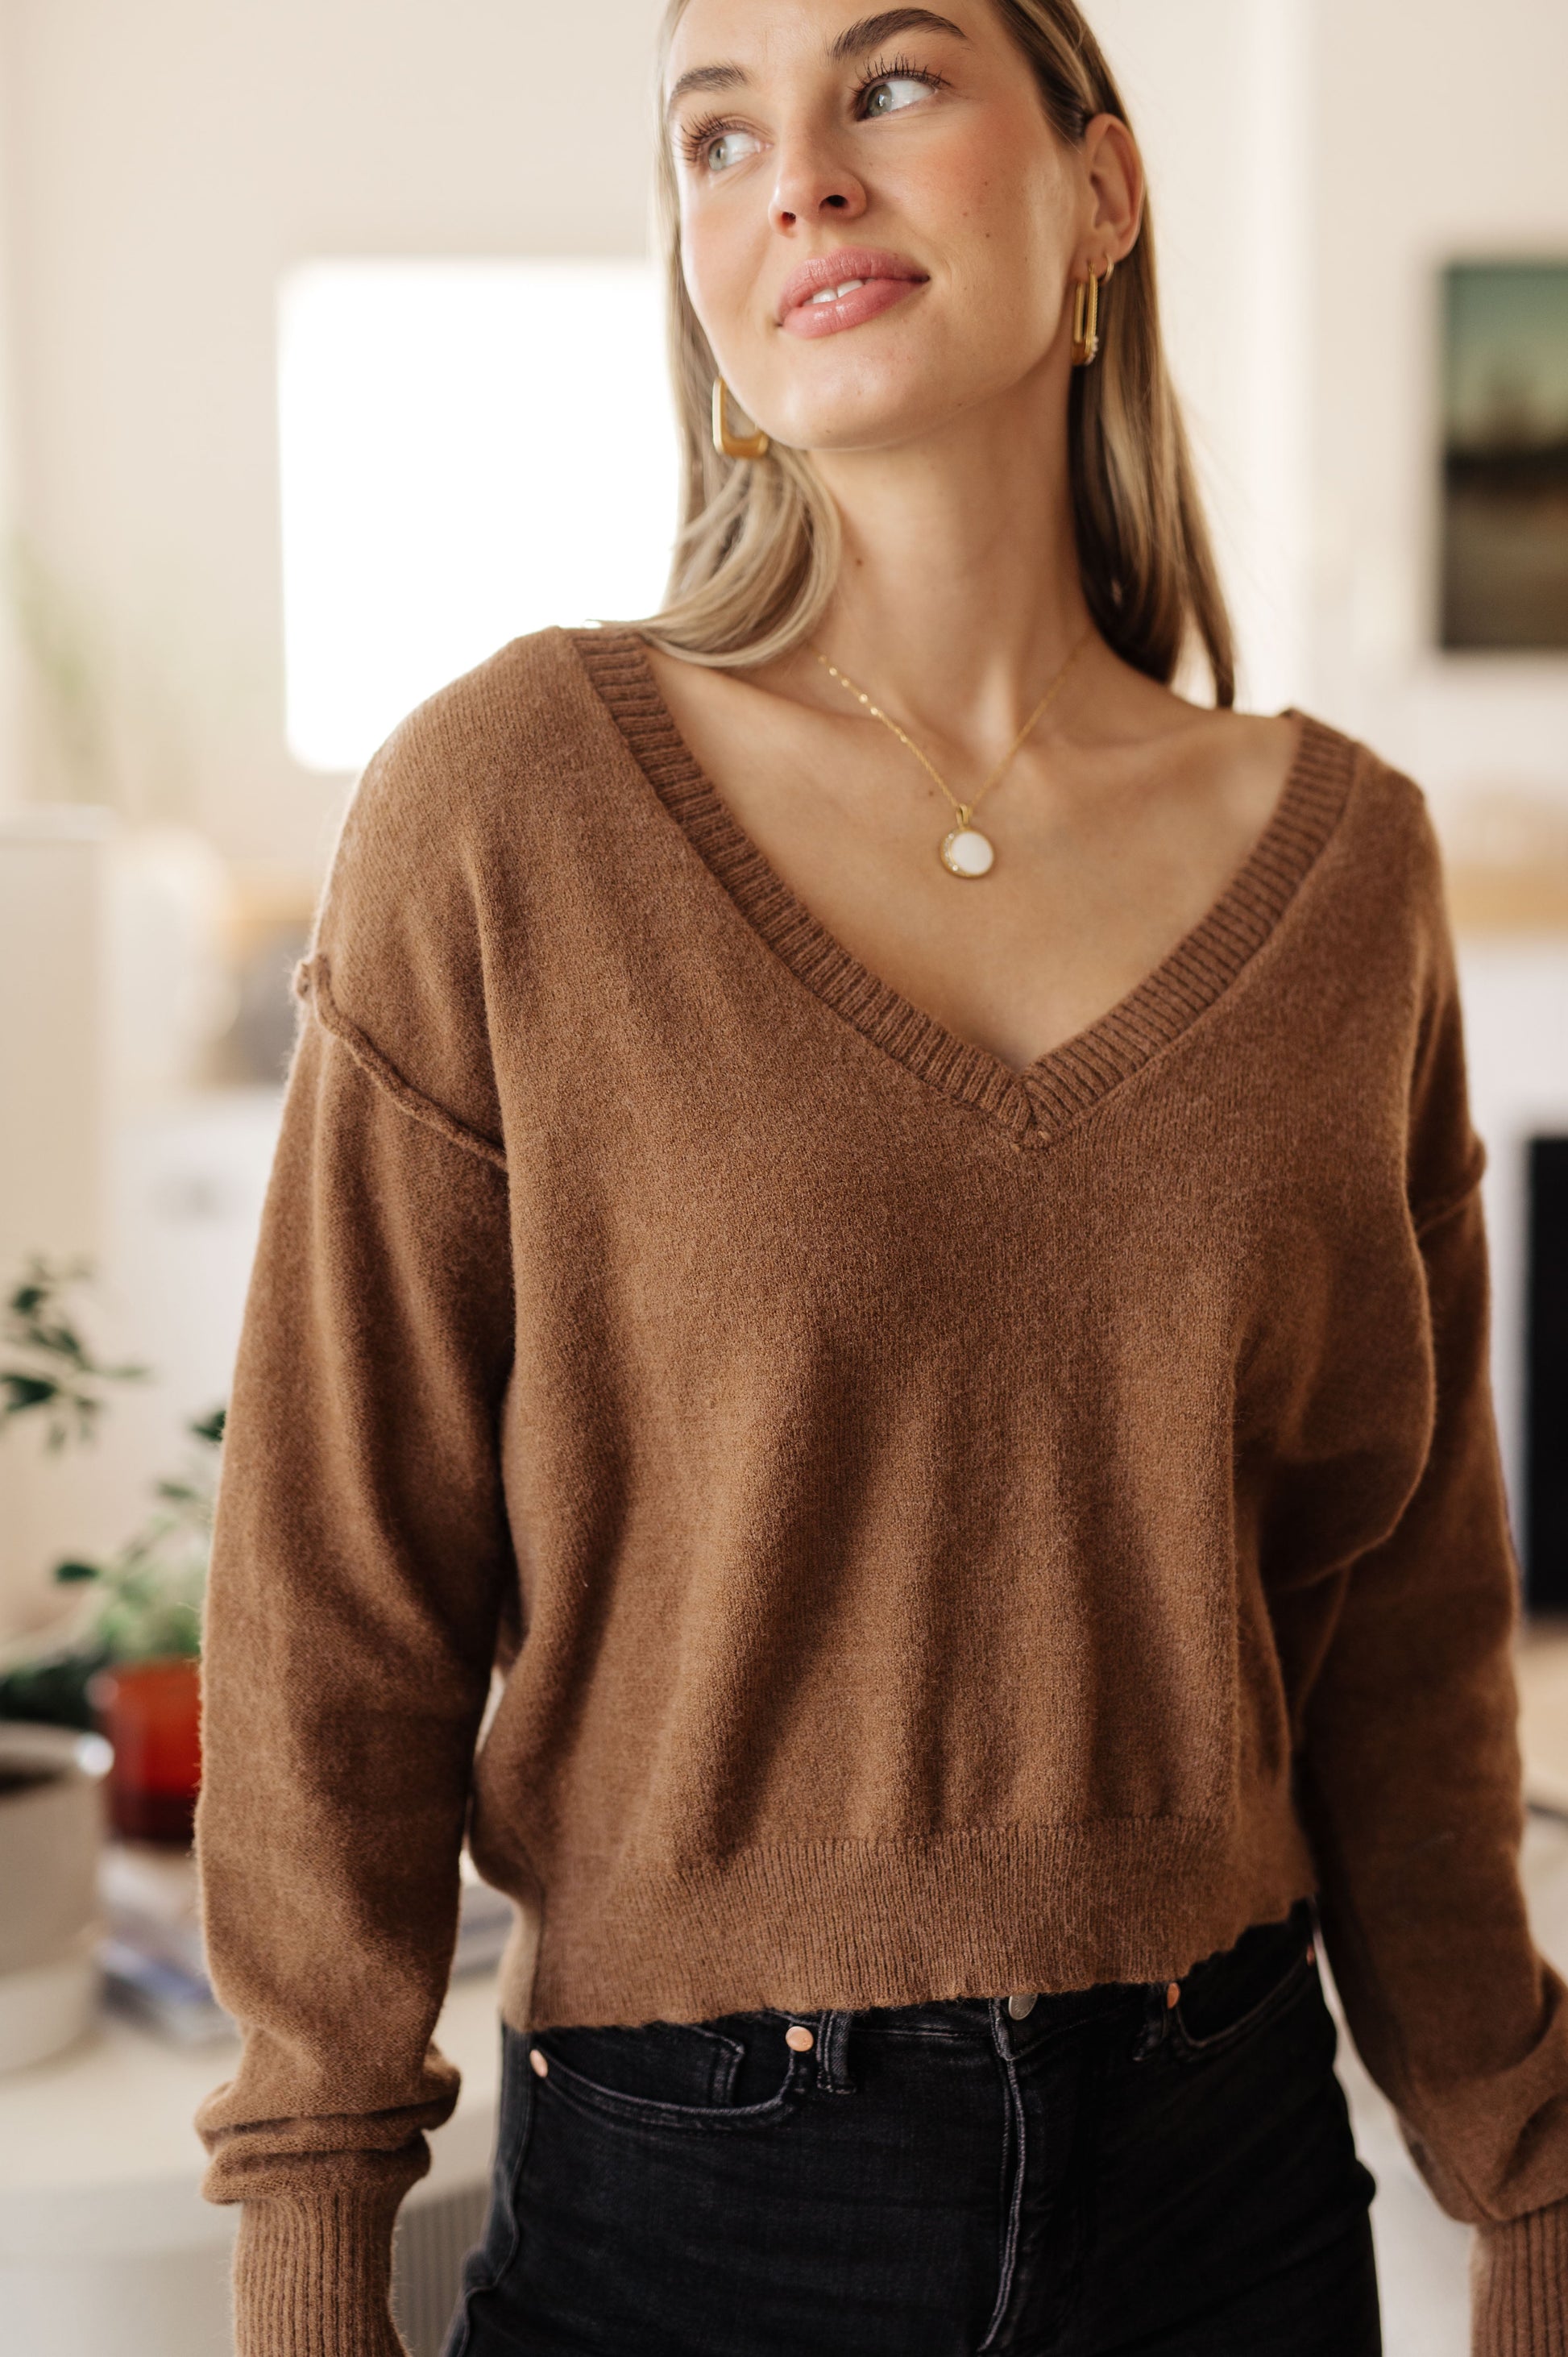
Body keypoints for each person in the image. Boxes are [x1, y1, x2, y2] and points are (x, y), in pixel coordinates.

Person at [193, 1, 1568, 2351]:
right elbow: (336, 1596)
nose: (797, 177)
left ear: (1101, 195)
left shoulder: (1342, 870)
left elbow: (1401, 1627)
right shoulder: (508, 806)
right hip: (690, 2199)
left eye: (893, 83)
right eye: (714, 139)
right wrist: (311, 2238)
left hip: (1229, 2182)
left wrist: (1523, 2184)